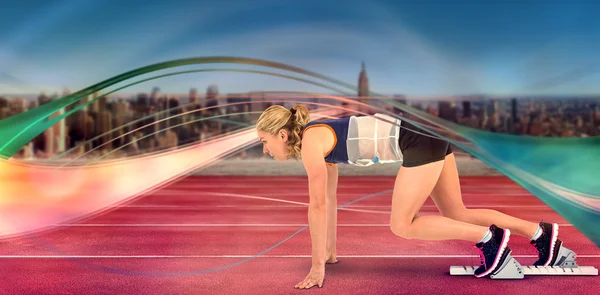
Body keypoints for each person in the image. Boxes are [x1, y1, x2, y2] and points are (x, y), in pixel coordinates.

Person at [255, 104, 563, 289]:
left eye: (264, 142)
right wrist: (328, 254)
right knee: (457, 212)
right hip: (425, 134)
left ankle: (489, 240)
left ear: (282, 135)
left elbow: (318, 207)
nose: (265, 150)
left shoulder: (311, 142)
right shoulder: (317, 140)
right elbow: (329, 201)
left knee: (402, 224)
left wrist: (316, 268)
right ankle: (541, 234)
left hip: (416, 138)